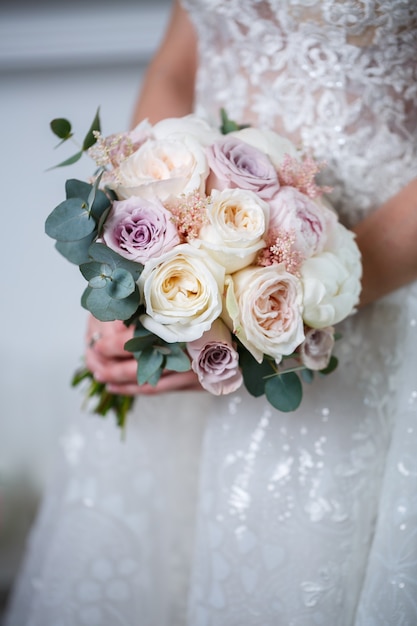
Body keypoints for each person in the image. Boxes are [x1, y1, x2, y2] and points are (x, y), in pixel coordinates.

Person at [5, 1, 417, 624]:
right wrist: (131, 266)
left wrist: (287, 309)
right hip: (189, 261)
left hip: (375, 301)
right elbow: (180, 57)